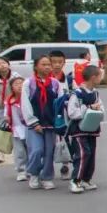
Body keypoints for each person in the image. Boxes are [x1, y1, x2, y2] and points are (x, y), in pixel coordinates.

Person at [21, 55, 63, 190]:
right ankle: (33, 173)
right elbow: (25, 104)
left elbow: (61, 102)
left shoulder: (55, 83)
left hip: (51, 123)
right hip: (35, 124)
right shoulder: (29, 83)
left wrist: (59, 120)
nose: (46, 67)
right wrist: (33, 122)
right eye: (43, 64)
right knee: (37, 150)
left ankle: (47, 177)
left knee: (49, 151)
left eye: (48, 65)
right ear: (36, 66)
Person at [65, 65, 104, 193]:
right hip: (78, 130)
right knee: (83, 153)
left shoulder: (95, 93)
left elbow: (102, 109)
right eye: (99, 76)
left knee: (91, 154)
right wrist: (88, 108)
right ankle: (75, 180)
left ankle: (86, 179)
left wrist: (98, 109)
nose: (101, 79)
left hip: (92, 128)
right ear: (93, 78)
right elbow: (72, 112)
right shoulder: (77, 94)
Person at [48, 50, 73, 179]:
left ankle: (65, 167)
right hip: (47, 115)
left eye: (60, 62)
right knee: (49, 143)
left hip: (64, 115)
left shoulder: (69, 79)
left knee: (64, 140)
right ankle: (46, 170)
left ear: (64, 62)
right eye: (54, 62)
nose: (57, 65)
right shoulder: (45, 79)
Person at [5, 77, 28, 181]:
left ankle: (31, 169)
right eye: (16, 84)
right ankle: (21, 170)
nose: (19, 85)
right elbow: (6, 113)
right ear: (12, 88)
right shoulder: (9, 101)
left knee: (31, 150)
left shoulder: (28, 97)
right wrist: (7, 117)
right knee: (19, 152)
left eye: (21, 83)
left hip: (29, 128)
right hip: (17, 130)